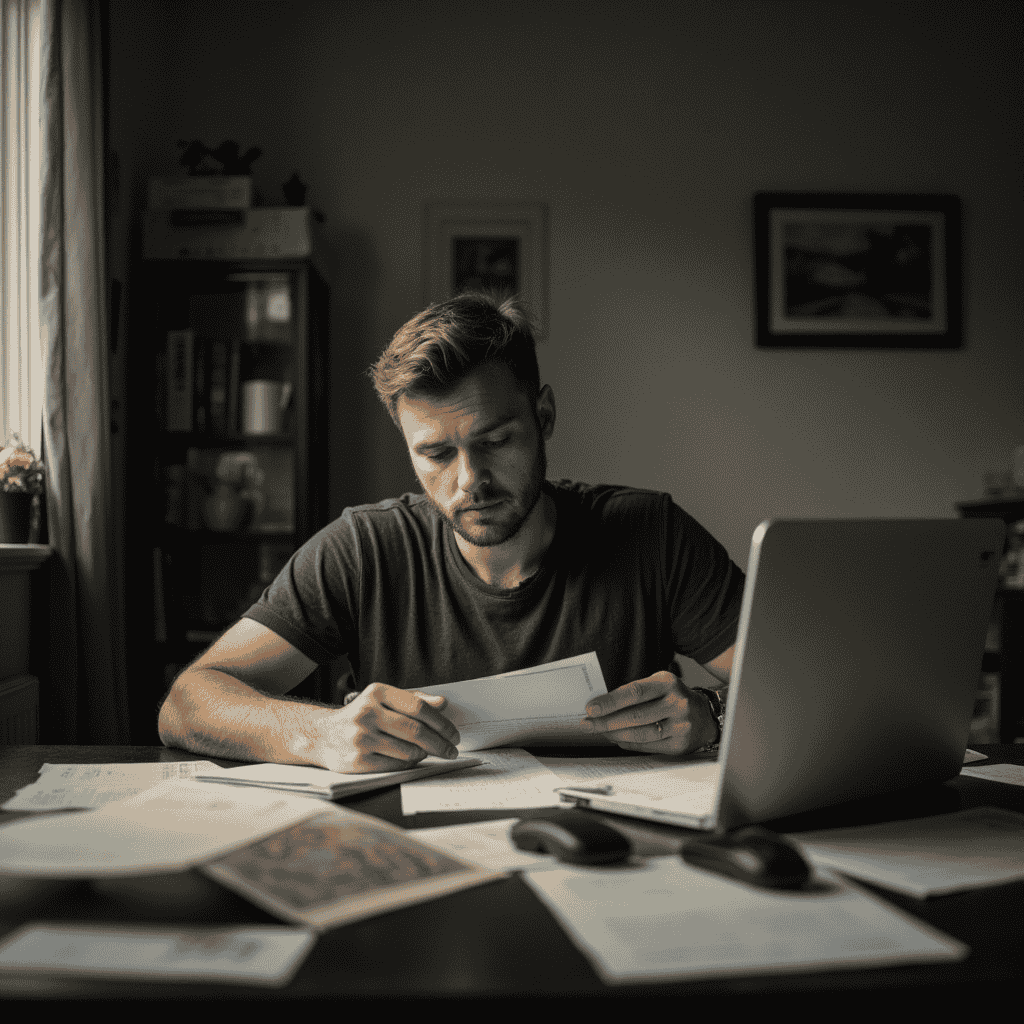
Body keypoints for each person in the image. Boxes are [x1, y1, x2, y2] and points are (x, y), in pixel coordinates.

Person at [158, 292, 745, 773]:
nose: (471, 481)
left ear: (543, 416)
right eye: (437, 453)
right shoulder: (365, 550)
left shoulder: (651, 535)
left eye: (494, 442)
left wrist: (713, 714)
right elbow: (187, 704)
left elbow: (809, 697)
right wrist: (319, 734)